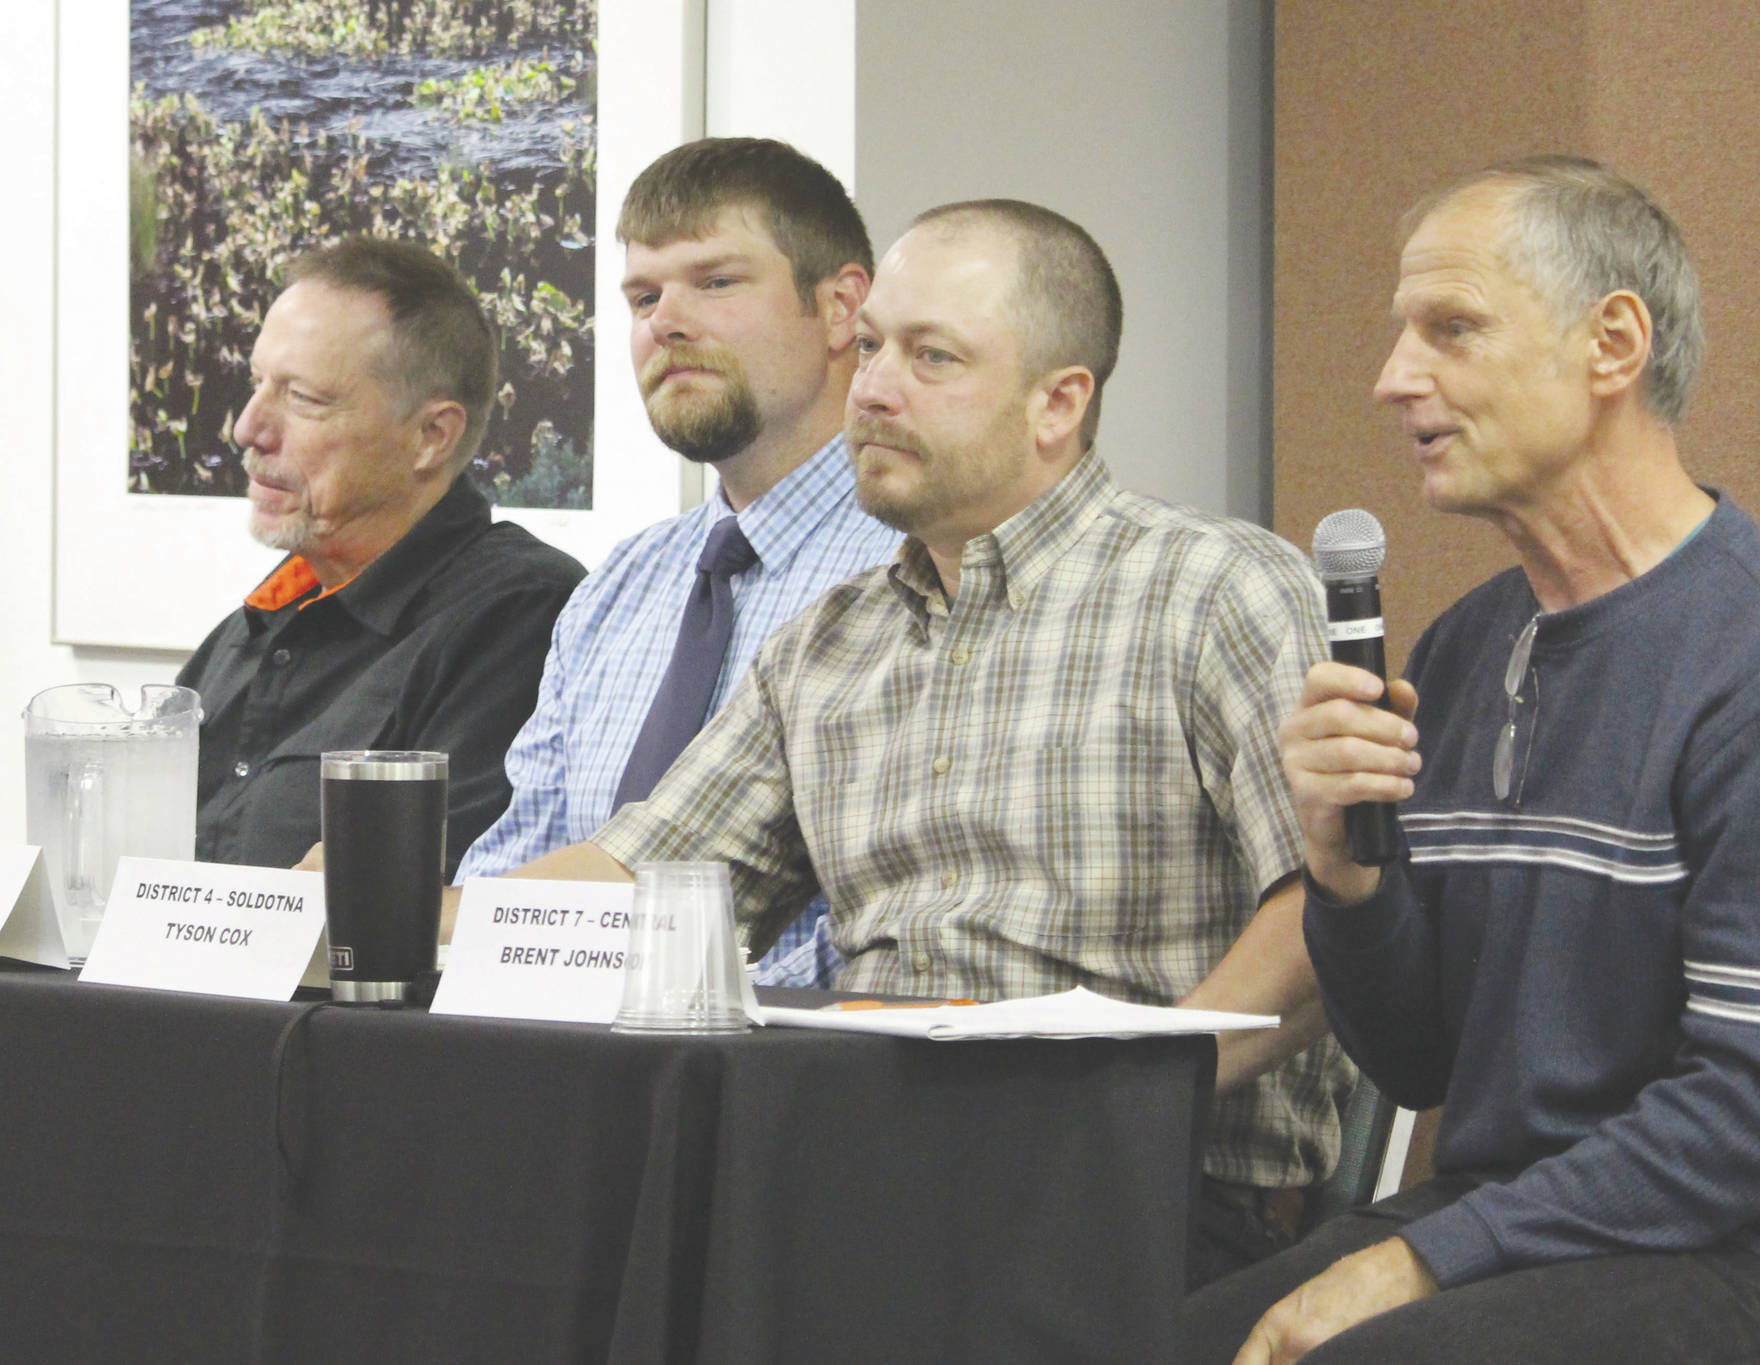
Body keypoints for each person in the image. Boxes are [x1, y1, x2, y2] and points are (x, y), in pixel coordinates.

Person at [487, 199, 1350, 1284]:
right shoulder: (828, 643)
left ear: (1058, 402)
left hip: (1137, 1187)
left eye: (931, 356)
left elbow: (1326, 909)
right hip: (866, 1164)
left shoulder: (1216, 588)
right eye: (871, 347)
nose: (874, 388)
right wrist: (375, 929)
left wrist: (1144, 1084)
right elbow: (638, 873)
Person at [1190, 156, 1760, 1364]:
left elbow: (1750, 1121)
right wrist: (1345, 876)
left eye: (1450, 329)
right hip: (1527, 1223)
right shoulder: (1463, 651)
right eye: (1400, 335)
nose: (1393, 381)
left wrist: (1419, 1260)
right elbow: (1417, 1060)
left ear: (1611, 345)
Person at [453, 138, 899, 985]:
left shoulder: (912, 568)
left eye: (717, 282)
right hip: (560, 1055)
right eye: (643, 295)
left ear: (843, 308)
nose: (666, 321)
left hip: (778, 1077)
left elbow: (882, 929)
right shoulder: (620, 587)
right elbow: (516, 859)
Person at [179, 237, 584, 880]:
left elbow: (435, 909)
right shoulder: (250, 628)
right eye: (259, 384)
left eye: (303, 398)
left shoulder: (519, 614)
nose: (249, 428)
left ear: (431, 436)